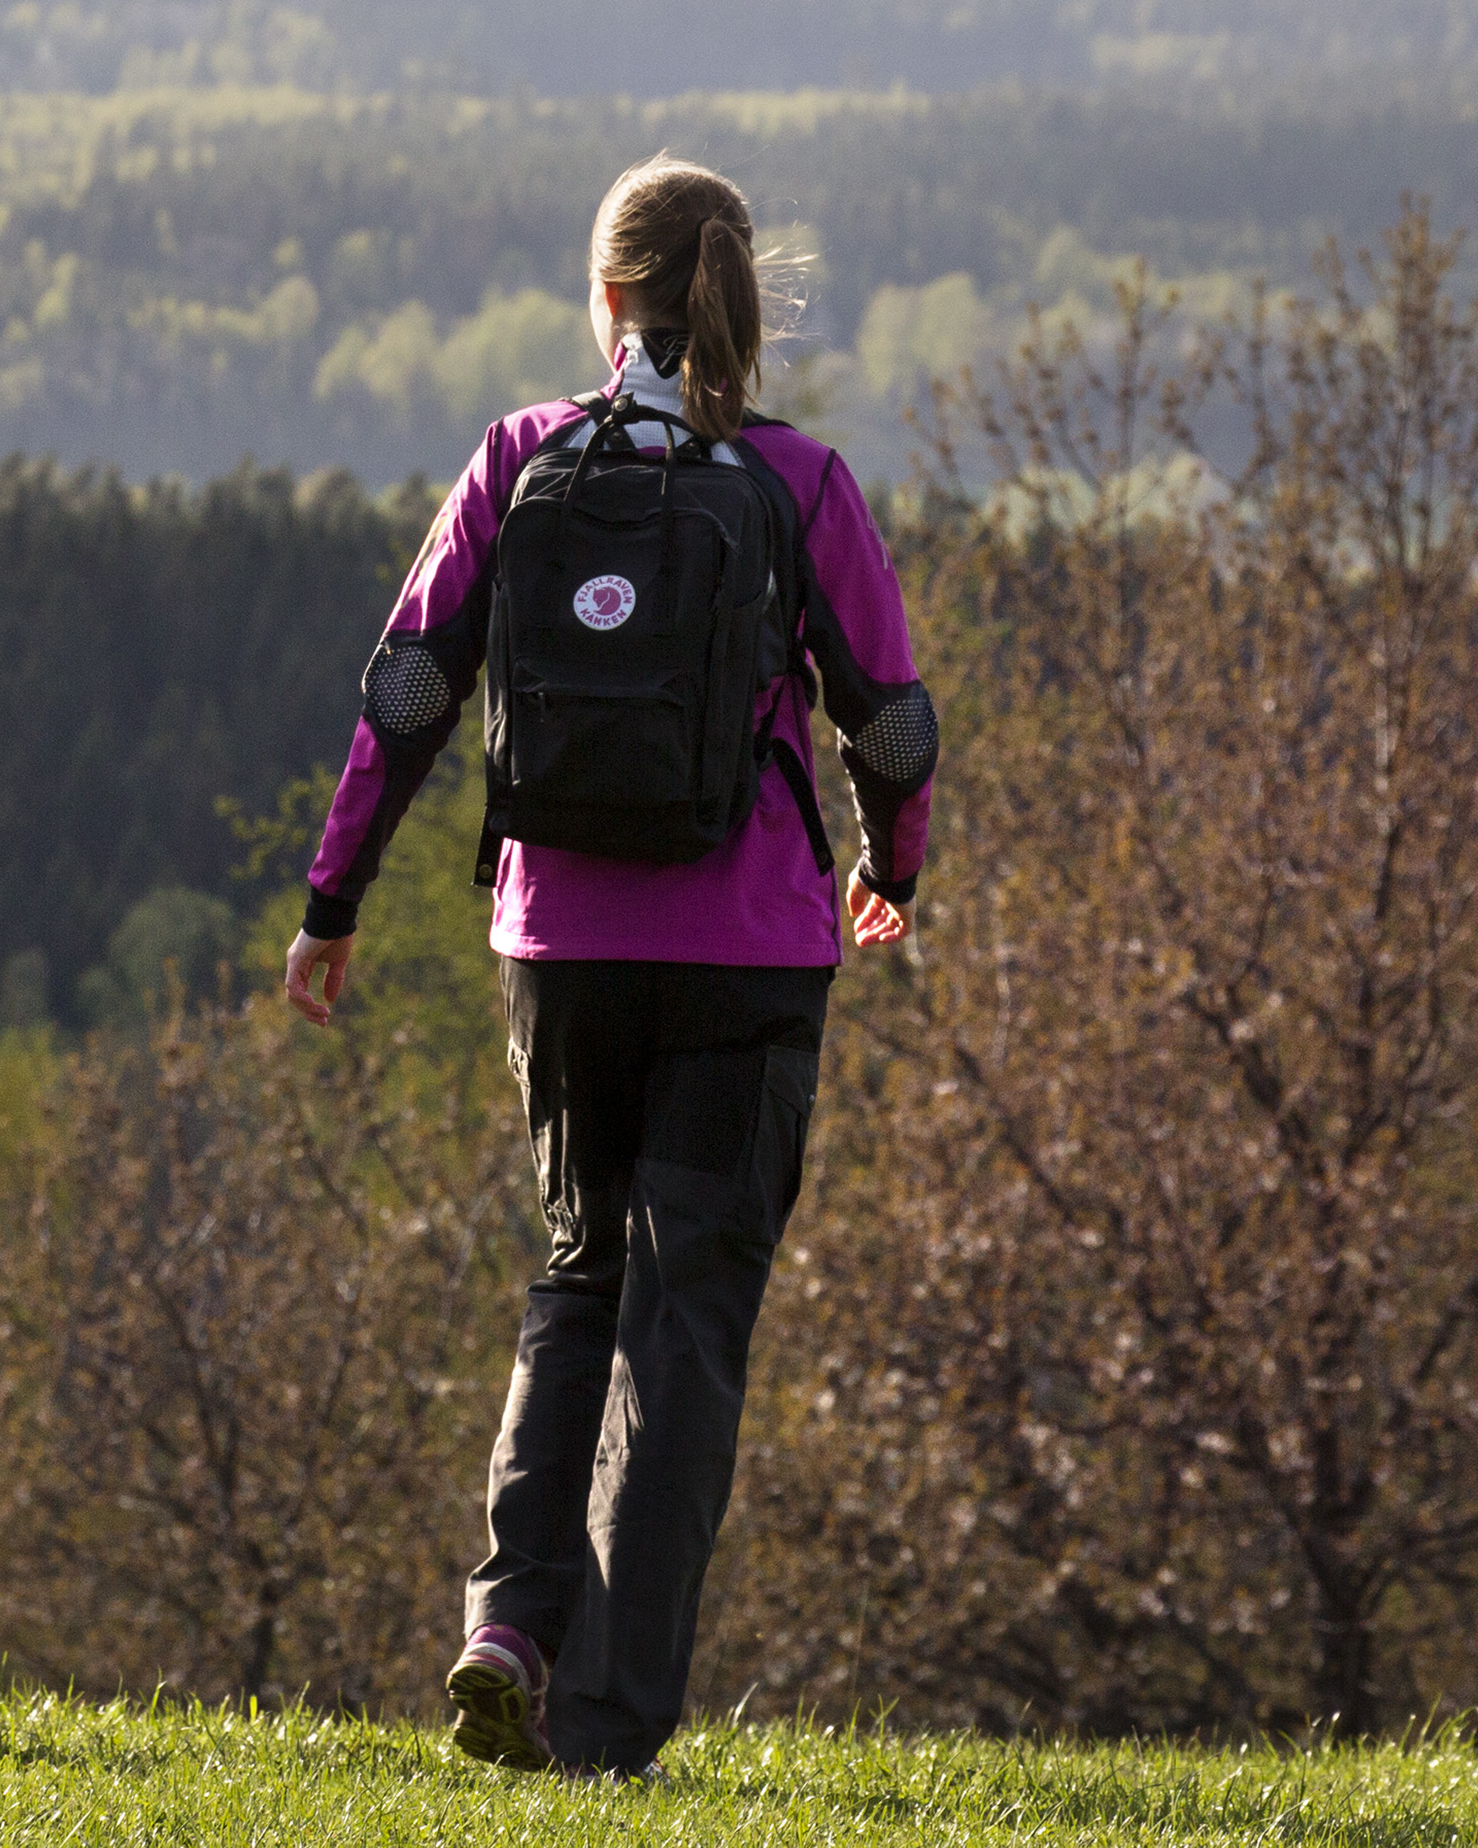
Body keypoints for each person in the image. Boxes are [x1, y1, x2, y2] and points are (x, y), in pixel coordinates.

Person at [283, 152, 938, 1782]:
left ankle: (508, 1620)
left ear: (605, 301)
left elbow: (410, 689)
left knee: (577, 1271)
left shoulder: (520, 459)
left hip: (560, 947)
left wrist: (335, 896)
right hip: (748, 959)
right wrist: (891, 864)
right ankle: (605, 1727)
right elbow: (894, 717)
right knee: (686, 1320)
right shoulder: (797, 482)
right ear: (738, 300)